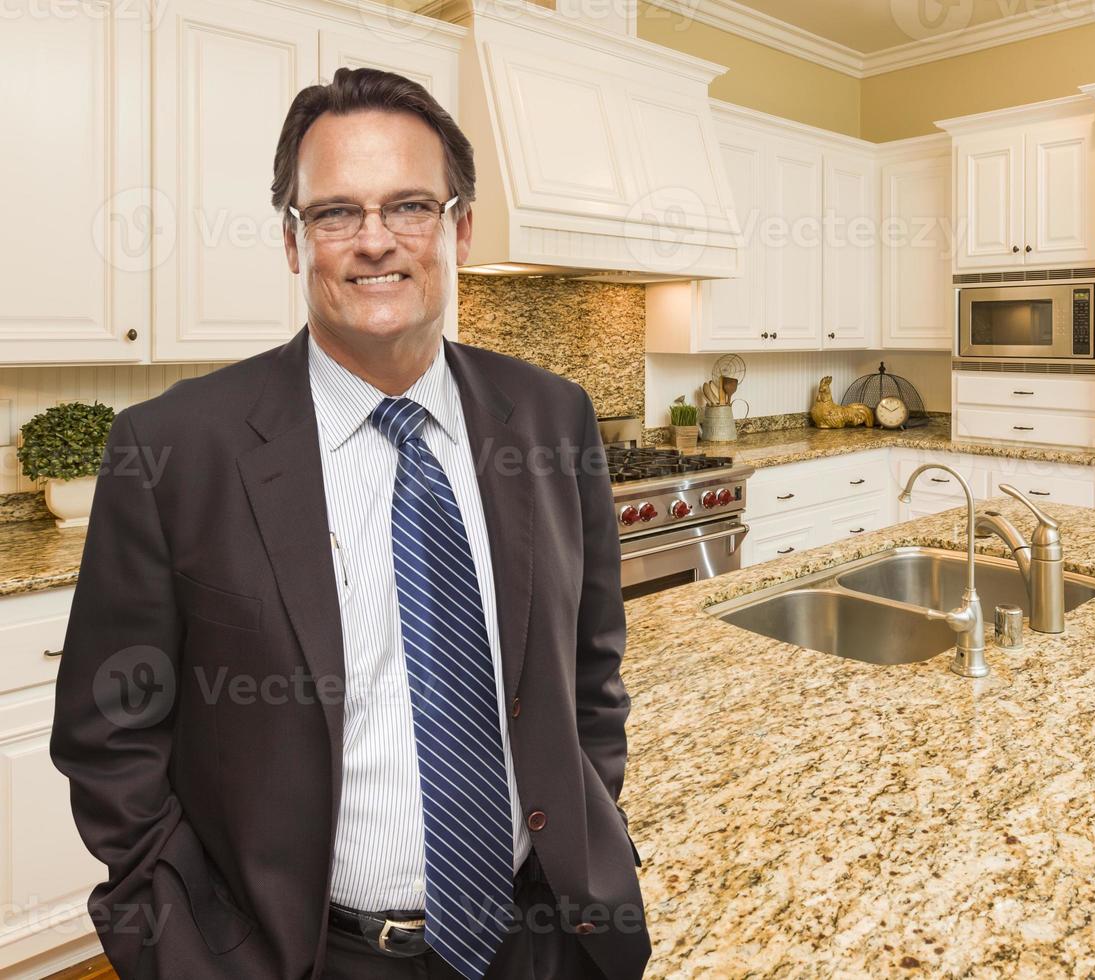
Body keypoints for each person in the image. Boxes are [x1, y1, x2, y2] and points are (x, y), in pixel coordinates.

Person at [50, 66, 648, 980]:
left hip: (547, 938)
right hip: (308, 955)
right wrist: (188, 949)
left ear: (460, 228)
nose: (376, 242)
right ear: (295, 243)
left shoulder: (553, 418)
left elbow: (591, 668)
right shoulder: (173, 448)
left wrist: (585, 828)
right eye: (335, 213)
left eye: (410, 205)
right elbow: (110, 735)